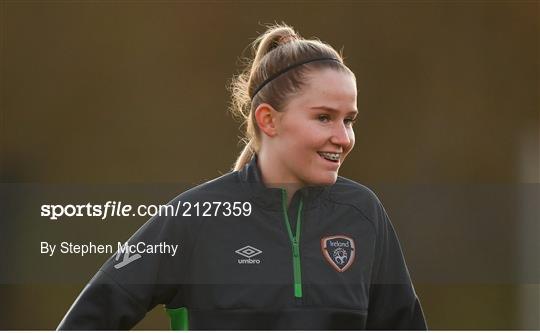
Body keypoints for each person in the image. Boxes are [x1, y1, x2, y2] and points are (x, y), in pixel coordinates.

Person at [57, 23, 427, 330]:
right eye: (324, 117)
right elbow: (89, 319)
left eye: (349, 120)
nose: (343, 138)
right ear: (269, 120)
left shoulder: (364, 215)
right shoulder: (194, 219)